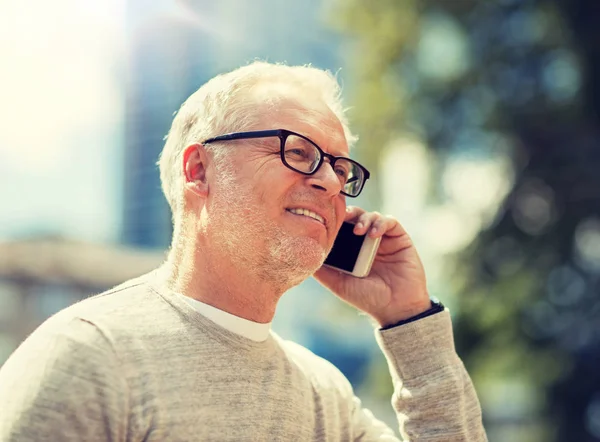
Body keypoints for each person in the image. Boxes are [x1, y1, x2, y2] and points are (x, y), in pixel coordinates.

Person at [0, 62, 487, 441]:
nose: (328, 181)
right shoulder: (88, 354)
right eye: (297, 152)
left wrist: (409, 319)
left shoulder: (325, 394)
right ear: (199, 171)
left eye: (342, 170)